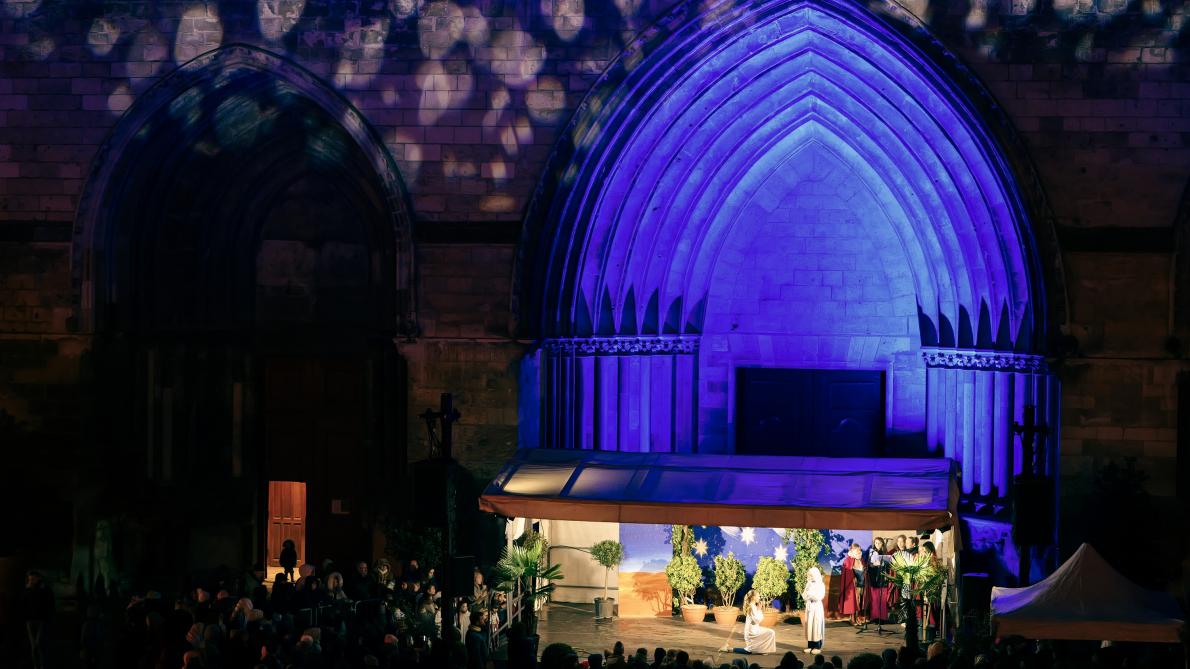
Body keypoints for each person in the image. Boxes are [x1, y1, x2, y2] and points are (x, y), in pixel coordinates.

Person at [728, 589, 776, 655]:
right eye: (758, 596)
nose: (759, 597)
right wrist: (759, 610)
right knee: (748, 651)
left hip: (754, 629)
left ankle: (761, 650)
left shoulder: (753, 606)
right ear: (753, 597)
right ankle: (729, 649)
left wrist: (758, 609)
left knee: (770, 632)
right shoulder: (752, 607)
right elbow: (757, 620)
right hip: (751, 633)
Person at [23, 570, 54, 669]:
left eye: (33, 578)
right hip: (30, 620)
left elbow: (50, 603)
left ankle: (42, 665)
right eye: (30, 578)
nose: (31, 580)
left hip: (41, 620)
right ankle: (37, 666)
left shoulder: (44, 589)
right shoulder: (27, 590)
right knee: (34, 647)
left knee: (38, 644)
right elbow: (24, 604)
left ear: (38, 578)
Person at [866, 538, 891, 629]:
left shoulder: (885, 553)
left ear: (882, 544)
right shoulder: (872, 553)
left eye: (879, 543)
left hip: (882, 578)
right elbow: (869, 565)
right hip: (874, 578)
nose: (877, 544)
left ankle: (882, 618)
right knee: (875, 599)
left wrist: (884, 563)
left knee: (882, 599)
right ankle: (875, 617)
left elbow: (889, 566)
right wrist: (873, 565)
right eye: (876, 543)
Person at [839, 544, 865, 625]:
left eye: (859, 549)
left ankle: (858, 618)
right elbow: (847, 574)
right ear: (852, 550)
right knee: (854, 602)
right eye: (856, 549)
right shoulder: (848, 560)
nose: (858, 551)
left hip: (862, 584)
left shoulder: (861, 560)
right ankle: (852, 618)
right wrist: (853, 579)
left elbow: (864, 570)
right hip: (853, 586)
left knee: (859, 602)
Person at [802, 567, 825, 655]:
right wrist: (808, 595)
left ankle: (817, 646)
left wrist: (810, 595)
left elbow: (819, 596)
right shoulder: (808, 584)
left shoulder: (820, 584)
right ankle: (810, 646)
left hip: (816, 607)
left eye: (812, 575)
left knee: (816, 625)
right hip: (809, 606)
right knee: (809, 625)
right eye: (809, 575)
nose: (810, 577)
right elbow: (804, 595)